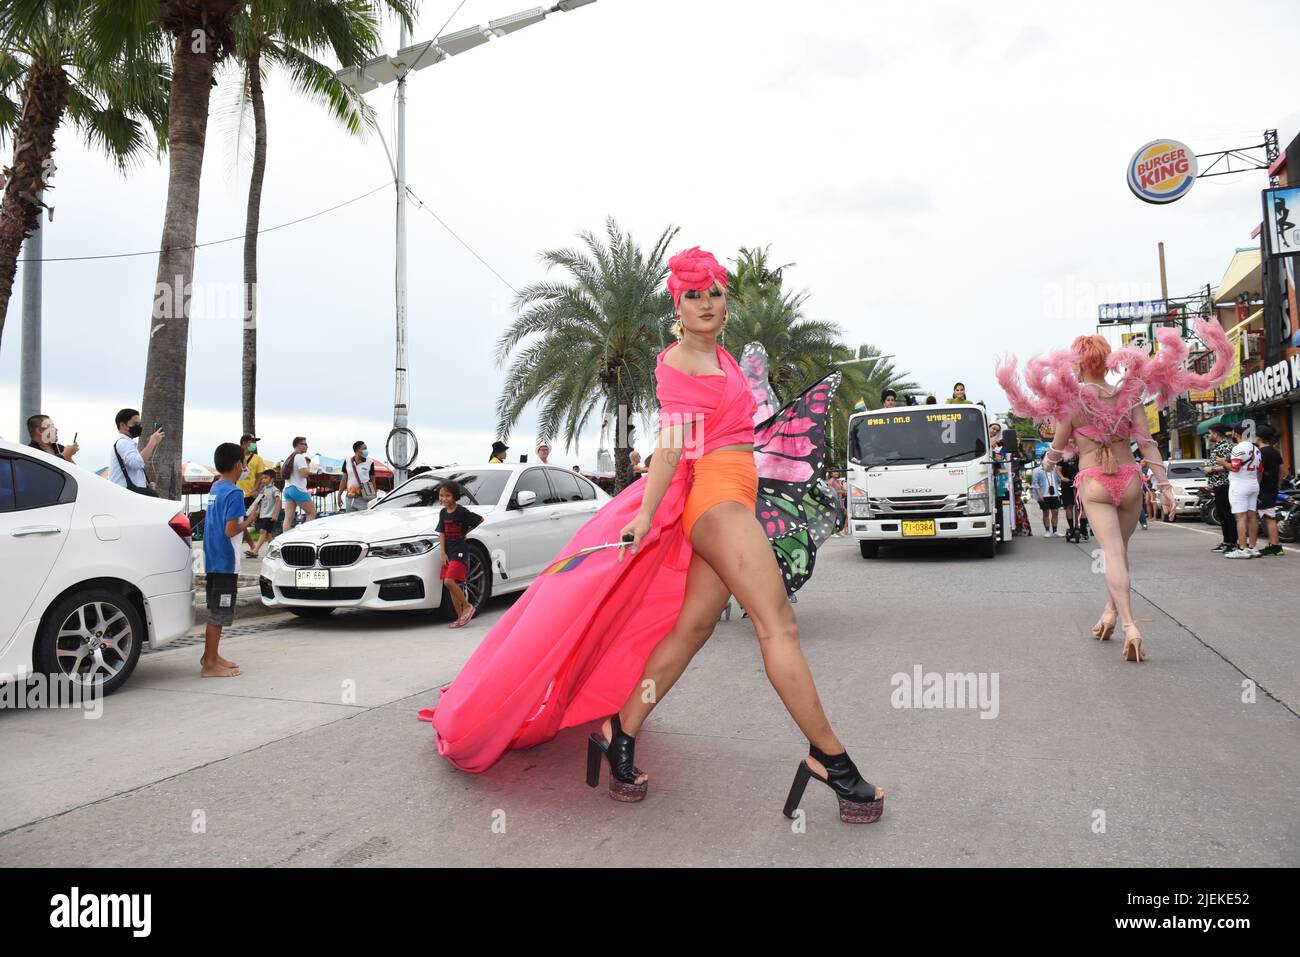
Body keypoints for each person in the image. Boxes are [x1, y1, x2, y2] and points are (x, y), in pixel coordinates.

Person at [422, 246, 884, 824]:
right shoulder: (680, 364)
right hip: (717, 503)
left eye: (715, 291)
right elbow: (672, 447)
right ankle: (830, 761)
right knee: (779, 626)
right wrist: (644, 514)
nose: (708, 302)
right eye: (694, 295)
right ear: (678, 304)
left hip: (736, 494)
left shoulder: (722, 356)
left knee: (690, 630)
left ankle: (621, 729)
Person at [998, 318, 1232, 662]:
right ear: (1106, 360)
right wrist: (1164, 485)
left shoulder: (1072, 403)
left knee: (1111, 554)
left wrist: (1047, 463)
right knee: (1119, 552)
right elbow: (1148, 443)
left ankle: (1129, 625)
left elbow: (1057, 447)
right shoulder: (1129, 393)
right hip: (1130, 479)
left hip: (1094, 481)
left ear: (1076, 364)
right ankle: (1110, 614)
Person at [202, 443, 255, 678]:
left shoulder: (216, 488)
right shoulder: (234, 493)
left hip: (212, 558)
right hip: (225, 561)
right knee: (220, 613)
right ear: (237, 464)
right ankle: (210, 665)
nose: (245, 466)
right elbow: (231, 530)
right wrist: (250, 519)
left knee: (215, 609)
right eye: (244, 462)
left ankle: (210, 656)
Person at [437, 480, 486, 629]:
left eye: (447, 496)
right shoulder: (443, 512)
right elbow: (441, 533)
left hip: (460, 552)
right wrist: (443, 553)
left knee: (449, 581)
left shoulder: (461, 511)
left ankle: (467, 606)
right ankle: (460, 618)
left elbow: (480, 519)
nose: (444, 499)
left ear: (455, 497)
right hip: (449, 553)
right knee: (452, 586)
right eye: (441, 495)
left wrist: (465, 533)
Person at [1220, 422, 1260, 559]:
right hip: (1253, 483)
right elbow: (1260, 470)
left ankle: (1242, 548)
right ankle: (1253, 547)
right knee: (1252, 516)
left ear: (1236, 433)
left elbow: (1235, 467)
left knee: (1240, 517)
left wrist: (1223, 463)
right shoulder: (1256, 449)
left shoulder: (1238, 448)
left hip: (1239, 485)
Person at [107, 408, 164, 492]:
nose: (138, 427)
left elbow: (134, 469)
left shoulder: (128, 443)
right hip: (124, 495)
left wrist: (145, 484)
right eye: (135, 424)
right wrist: (152, 442)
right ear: (122, 425)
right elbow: (137, 463)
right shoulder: (123, 443)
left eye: (139, 424)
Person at [1202, 424, 1237, 552]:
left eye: (1210, 433)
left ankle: (1232, 542)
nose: (1209, 435)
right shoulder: (1217, 446)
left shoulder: (1226, 446)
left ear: (1216, 433)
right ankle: (1226, 541)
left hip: (1224, 483)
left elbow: (1231, 465)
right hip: (1217, 483)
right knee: (1221, 513)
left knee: (1227, 513)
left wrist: (1212, 469)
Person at [1254, 425, 1285, 557]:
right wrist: (1277, 485)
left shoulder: (1260, 453)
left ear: (1259, 438)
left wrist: (1256, 486)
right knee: (1268, 516)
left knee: (1268, 517)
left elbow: (1259, 473)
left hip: (1264, 489)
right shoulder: (1275, 451)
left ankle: (1275, 545)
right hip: (1272, 488)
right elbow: (1282, 472)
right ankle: (1274, 544)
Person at [235, 434, 266, 553]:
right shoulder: (236, 457)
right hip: (239, 494)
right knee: (240, 522)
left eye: (254, 441)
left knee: (263, 522)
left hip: (252, 495)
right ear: (244, 443)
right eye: (252, 441)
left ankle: (256, 547)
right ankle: (253, 547)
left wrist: (256, 488)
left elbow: (260, 475)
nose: (254, 444)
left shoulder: (257, 458)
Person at [281, 436, 315, 530]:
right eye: (304, 444)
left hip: (287, 489)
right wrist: (314, 472)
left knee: (288, 518)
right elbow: (303, 473)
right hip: (297, 488)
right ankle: (306, 536)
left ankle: (285, 538)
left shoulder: (289, 457)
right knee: (311, 513)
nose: (307, 446)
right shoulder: (299, 457)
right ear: (298, 445)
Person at [246, 470, 281, 558]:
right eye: (262, 478)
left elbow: (278, 501)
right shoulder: (264, 489)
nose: (263, 480)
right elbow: (258, 499)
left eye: (265, 478)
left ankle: (255, 550)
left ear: (272, 479)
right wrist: (253, 494)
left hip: (270, 515)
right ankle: (276, 551)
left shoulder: (275, 490)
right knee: (268, 534)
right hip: (263, 514)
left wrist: (276, 515)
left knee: (263, 531)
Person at [1031, 456, 1062, 536]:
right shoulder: (1037, 470)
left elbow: (1059, 480)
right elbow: (1035, 483)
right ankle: (1047, 531)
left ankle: (1055, 531)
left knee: (1055, 512)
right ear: (1042, 460)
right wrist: (1039, 494)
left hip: (1055, 494)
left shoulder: (1055, 469)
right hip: (1043, 495)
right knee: (1046, 512)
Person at [343, 440, 376, 512]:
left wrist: (374, 495)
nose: (366, 451)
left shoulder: (370, 462)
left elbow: (373, 480)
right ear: (357, 449)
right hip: (350, 498)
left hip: (364, 498)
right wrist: (339, 495)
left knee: (363, 521)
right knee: (350, 521)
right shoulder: (347, 461)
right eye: (364, 448)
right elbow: (344, 479)